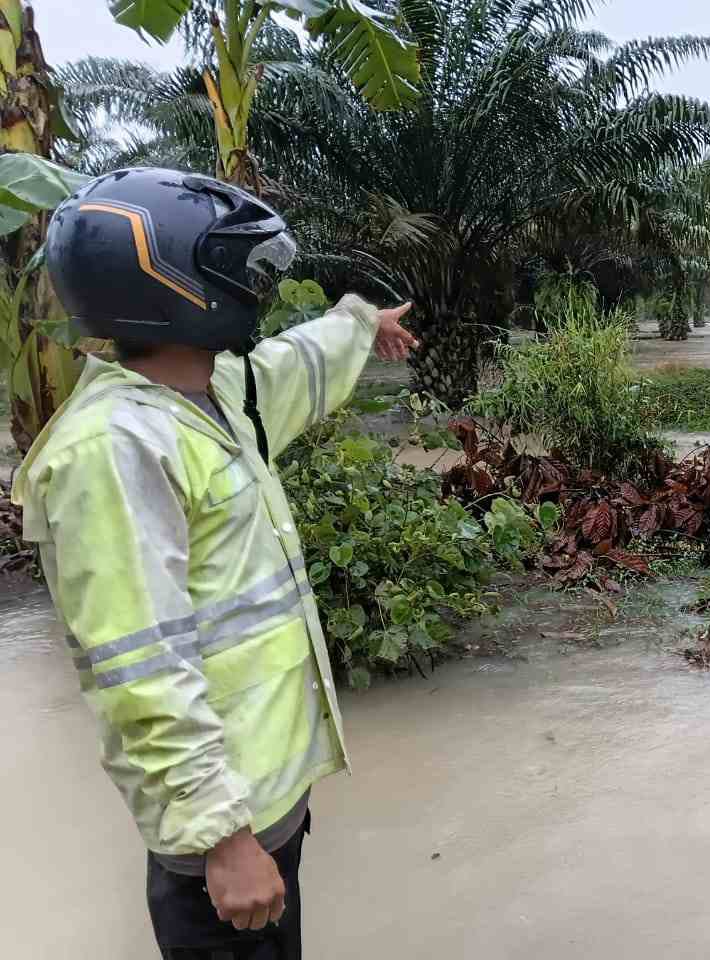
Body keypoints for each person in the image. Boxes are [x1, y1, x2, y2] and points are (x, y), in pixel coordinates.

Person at [12, 167, 419, 959]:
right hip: (224, 842)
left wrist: (358, 322)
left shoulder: (212, 398)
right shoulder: (115, 449)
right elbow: (142, 668)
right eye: (234, 269)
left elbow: (289, 366)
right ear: (169, 283)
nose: (251, 287)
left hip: (264, 805)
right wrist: (222, 839)